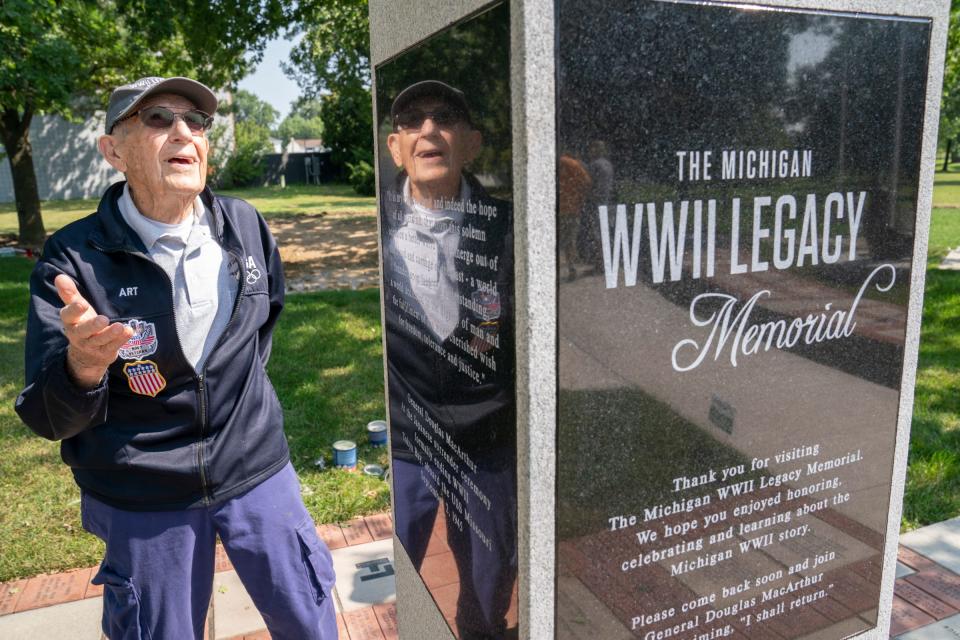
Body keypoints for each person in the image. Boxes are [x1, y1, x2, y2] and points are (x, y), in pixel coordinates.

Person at [15, 76, 336, 640]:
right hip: (144, 495)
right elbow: (47, 417)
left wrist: (238, 409)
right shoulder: (74, 261)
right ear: (113, 150)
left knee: (309, 620)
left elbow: (261, 333)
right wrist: (84, 367)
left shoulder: (245, 226)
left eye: (196, 121)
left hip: (258, 472)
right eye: (159, 119)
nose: (184, 132)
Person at [381, 80, 518, 639]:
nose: (428, 130)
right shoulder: (374, 229)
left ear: (472, 143)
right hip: (409, 439)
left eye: (444, 118)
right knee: (401, 579)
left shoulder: (512, 228)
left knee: (490, 586)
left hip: (487, 439)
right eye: (413, 121)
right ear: (396, 147)